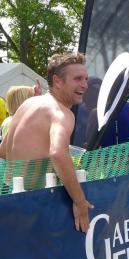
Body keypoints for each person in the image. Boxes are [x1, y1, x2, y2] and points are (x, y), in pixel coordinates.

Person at [0, 52, 93, 232]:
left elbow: (3, 150)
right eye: (78, 79)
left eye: (86, 79)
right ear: (57, 81)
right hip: (36, 205)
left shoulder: (28, 104)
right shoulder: (61, 113)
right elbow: (58, 154)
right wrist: (80, 201)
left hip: (10, 198)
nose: (85, 85)